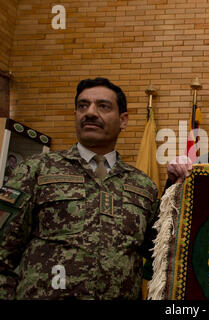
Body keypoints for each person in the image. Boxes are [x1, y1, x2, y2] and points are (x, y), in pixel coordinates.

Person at [0, 77, 158, 299]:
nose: (90, 112)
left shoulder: (143, 186)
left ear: (123, 120)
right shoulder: (37, 170)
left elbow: (160, 256)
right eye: (83, 106)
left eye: (103, 106)